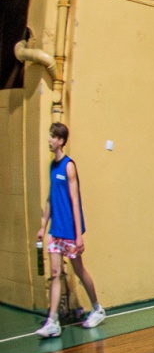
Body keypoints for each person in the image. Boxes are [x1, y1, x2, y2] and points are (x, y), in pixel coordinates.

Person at [34, 122, 103, 338]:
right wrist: (43, 226)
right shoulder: (52, 166)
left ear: (61, 141)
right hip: (55, 231)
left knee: (79, 271)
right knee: (55, 274)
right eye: (49, 136)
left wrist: (78, 236)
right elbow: (50, 198)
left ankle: (97, 308)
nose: (49, 140)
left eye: (52, 137)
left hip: (70, 231)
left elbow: (75, 200)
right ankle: (52, 321)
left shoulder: (68, 166)